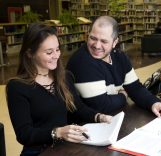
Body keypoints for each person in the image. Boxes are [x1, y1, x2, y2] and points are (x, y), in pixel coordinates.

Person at [6, 23, 112, 156]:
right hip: (38, 151)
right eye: (49, 52)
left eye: (57, 49)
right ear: (30, 53)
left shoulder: (65, 76)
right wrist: (58, 132)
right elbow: (24, 134)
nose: (56, 56)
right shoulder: (17, 87)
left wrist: (100, 117)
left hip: (66, 146)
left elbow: (78, 108)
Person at [66, 16, 161, 117]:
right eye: (93, 38)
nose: (97, 46)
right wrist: (123, 95)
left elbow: (135, 88)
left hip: (113, 119)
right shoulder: (82, 61)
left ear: (115, 42)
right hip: (86, 126)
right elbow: (101, 106)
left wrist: (154, 103)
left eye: (104, 41)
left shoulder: (119, 56)